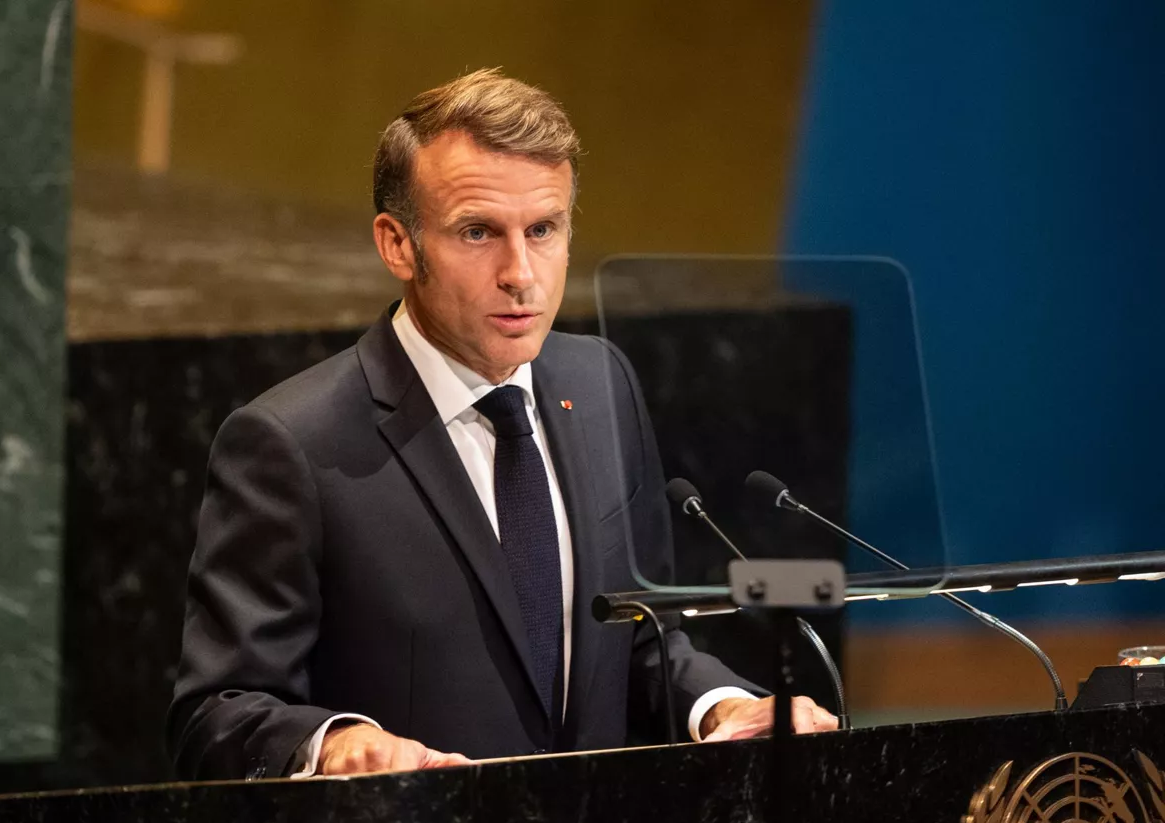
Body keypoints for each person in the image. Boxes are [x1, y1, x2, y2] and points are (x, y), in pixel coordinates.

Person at [168, 69, 837, 781]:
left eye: (544, 229)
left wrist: (721, 705)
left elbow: (641, 638)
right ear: (397, 245)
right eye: (479, 232)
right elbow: (218, 712)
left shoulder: (600, 383)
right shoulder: (289, 442)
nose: (521, 273)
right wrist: (333, 743)